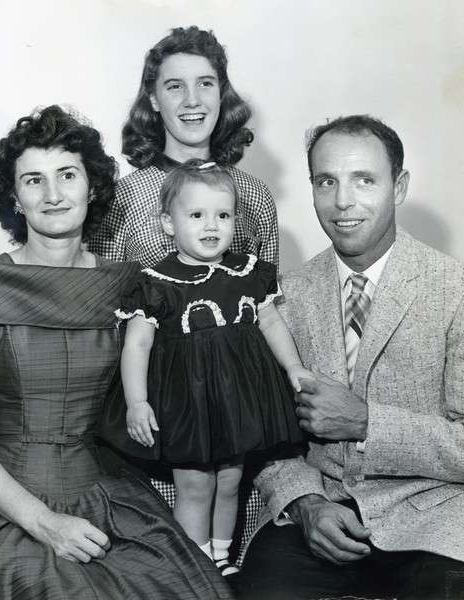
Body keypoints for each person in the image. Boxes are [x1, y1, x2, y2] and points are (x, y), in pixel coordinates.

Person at [0, 105, 233, 600]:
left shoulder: (129, 284)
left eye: (67, 175)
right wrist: (44, 523)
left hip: (108, 495)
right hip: (7, 506)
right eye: (33, 180)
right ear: (13, 197)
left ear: (93, 187)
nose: (53, 194)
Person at [238, 115, 464, 600]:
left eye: (364, 180)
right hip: (320, 515)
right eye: (326, 181)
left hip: (436, 519)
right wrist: (305, 503)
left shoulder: (460, 290)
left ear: (399, 187)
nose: (342, 201)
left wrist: (367, 422)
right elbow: (263, 439)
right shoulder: (282, 298)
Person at [112, 159, 309, 576]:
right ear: (168, 223)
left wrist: (293, 367)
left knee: (231, 480)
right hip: (187, 403)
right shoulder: (156, 282)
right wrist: (137, 402)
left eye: (223, 215)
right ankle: (198, 566)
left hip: (236, 398)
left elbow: (271, 322)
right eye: (196, 215)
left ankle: (222, 557)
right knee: (195, 484)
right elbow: (137, 345)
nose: (211, 226)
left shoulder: (248, 272)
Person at [88, 25, 279, 268]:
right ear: (154, 100)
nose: (192, 100)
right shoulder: (120, 199)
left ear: (220, 93)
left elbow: (267, 287)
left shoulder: (256, 195)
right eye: (175, 86)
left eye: (205, 83)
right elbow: (103, 288)